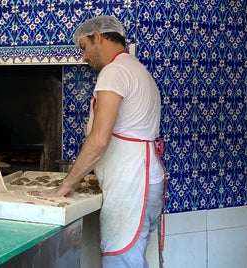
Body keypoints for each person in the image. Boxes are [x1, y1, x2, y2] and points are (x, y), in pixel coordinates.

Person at [45, 16, 166, 267]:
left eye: (84, 47)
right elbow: (126, 126)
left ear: (97, 36)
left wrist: (67, 184)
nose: (83, 57)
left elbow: (100, 140)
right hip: (144, 178)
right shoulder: (136, 68)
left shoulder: (114, 71)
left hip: (130, 185)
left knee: (120, 260)